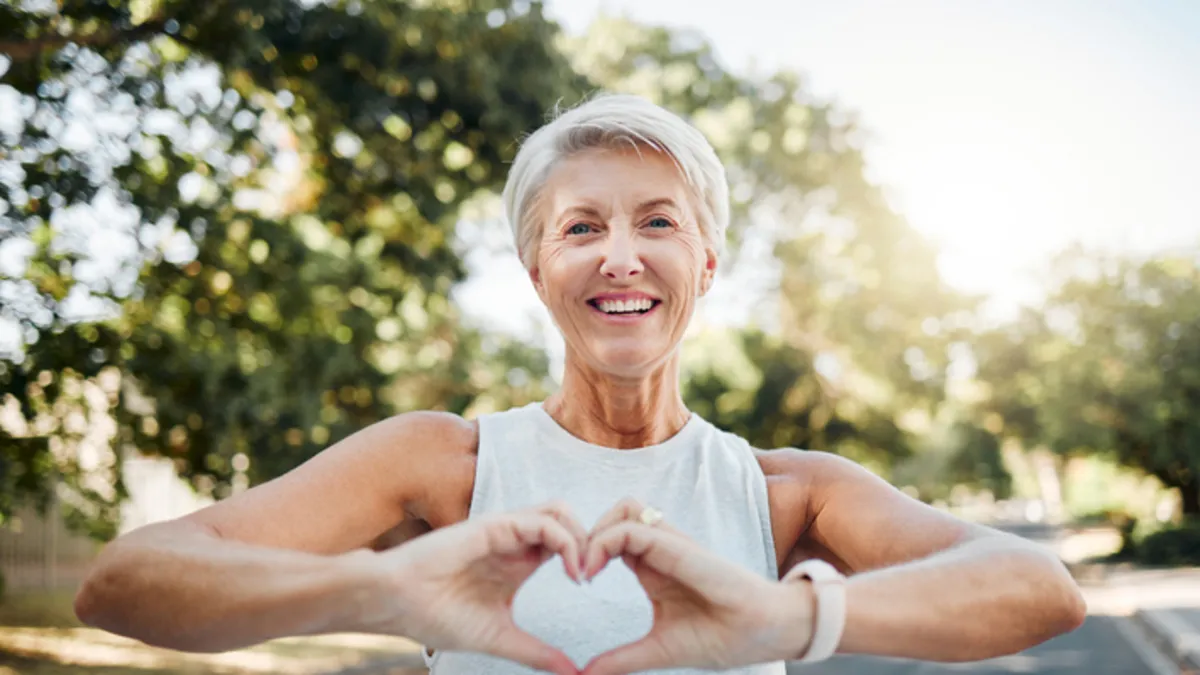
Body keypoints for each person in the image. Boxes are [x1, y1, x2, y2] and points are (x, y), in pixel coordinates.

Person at [73, 94, 1086, 675]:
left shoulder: (783, 493)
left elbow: (1040, 590)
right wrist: (384, 592)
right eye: (580, 228)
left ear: (706, 264)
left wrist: (787, 619)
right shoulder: (440, 467)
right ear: (536, 272)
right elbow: (121, 583)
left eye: (656, 222)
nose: (620, 257)